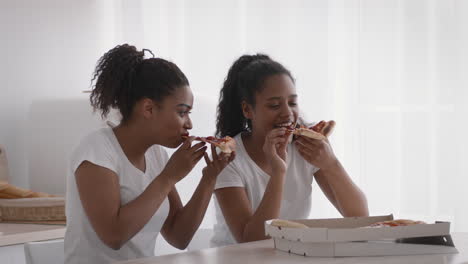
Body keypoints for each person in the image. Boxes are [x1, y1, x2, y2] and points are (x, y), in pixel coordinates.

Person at [64, 44, 234, 263]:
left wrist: (209, 177)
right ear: (148, 109)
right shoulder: (97, 150)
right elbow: (113, 236)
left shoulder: (156, 156)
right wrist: (169, 177)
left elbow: (179, 236)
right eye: (182, 112)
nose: (189, 124)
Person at [211, 54, 368, 247]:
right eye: (274, 105)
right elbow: (251, 240)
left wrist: (331, 164)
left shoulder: (307, 148)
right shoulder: (228, 157)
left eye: (292, 103)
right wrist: (279, 171)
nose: (287, 113)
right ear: (247, 110)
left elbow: (359, 217)